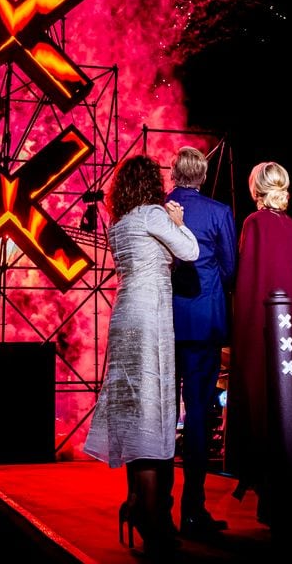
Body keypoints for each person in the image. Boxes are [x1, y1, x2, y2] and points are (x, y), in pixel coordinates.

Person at [84, 154, 200, 558]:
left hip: (124, 315)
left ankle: (135, 502)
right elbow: (189, 251)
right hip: (151, 316)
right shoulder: (153, 214)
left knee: (135, 411)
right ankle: (150, 515)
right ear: (152, 184)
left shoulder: (118, 224)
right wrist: (180, 222)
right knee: (152, 410)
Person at [224, 161, 292, 532]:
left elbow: (249, 284)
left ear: (256, 189)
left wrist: (244, 336)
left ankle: (274, 504)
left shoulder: (254, 225)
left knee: (268, 413)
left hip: (266, 334)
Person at [167, 145, 237, 538]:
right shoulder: (219, 213)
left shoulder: (158, 209)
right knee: (197, 415)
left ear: (174, 174)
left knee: (162, 415)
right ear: (204, 175)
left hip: (166, 323)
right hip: (205, 322)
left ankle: (157, 506)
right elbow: (230, 271)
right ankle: (192, 511)